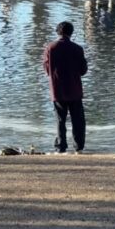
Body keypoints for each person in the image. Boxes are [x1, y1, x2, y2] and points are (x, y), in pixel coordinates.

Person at [42, 21, 89, 154]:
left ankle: (61, 147)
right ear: (71, 32)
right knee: (78, 120)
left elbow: (46, 69)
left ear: (58, 32)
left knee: (60, 120)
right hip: (75, 90)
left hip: (57, 90)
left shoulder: (50, 48)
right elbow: (83, 70)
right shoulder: (77, 49)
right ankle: (79, 147)